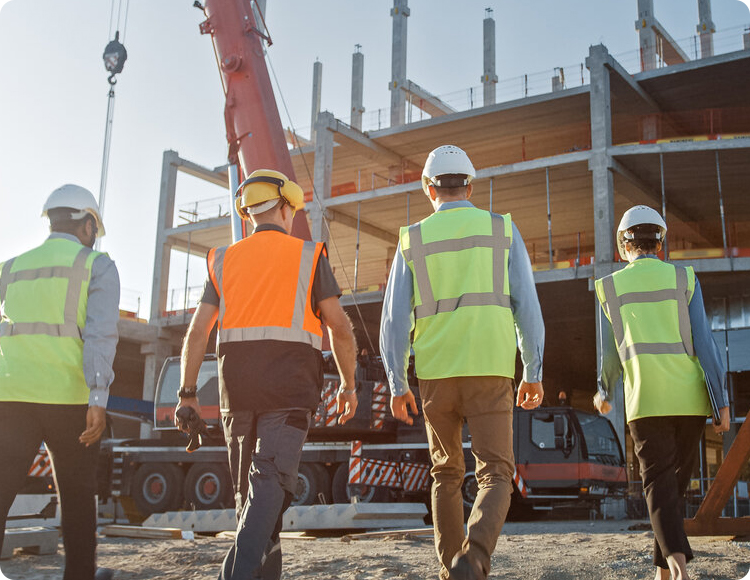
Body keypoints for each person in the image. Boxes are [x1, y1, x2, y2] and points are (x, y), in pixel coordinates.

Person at [175, 169, 358, 580]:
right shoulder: (310, 256)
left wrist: (187, 393)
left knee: (256, 501)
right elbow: (341, 329)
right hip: (290, 392)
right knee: (267, 491)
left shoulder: (222, 259)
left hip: (235, 396)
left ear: (249, 212)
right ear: (285, 206)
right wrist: (348, 385)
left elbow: (197, 331)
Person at [379, 145, 545, 580]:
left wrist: (397, 383)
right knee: (496, 472)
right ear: (470, 186)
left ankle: (452, 569)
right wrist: (534, 371)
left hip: (435, 374)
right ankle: (474, 556)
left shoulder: (411, 238)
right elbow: (527, 306)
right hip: (491, 368)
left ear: (428, 189)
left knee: (445, 473)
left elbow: (395, 320)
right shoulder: (502, 230)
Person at [593, 205, 730, 580]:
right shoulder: (684, 278)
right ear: (660, 243)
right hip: (689, 402)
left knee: (658, 487)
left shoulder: (609, 287)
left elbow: (609, 353)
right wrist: (722, 404)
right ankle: (665, 574)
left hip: (646, 401)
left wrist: (604, 390)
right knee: (673, 491)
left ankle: (679, 571)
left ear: (624, 245)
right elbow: (706, 344)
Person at [0, 185, 120, 580]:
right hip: (70, 402)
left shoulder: (12, 267)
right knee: (77, 495)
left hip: (11, 397)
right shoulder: (96, 265)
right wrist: (98, 397)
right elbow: (100, 336)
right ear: (87, 223)